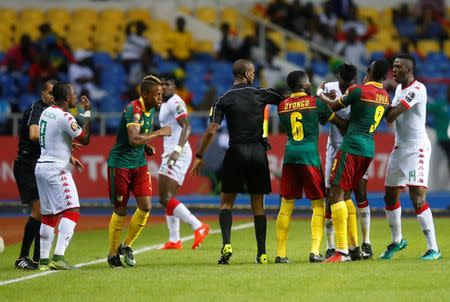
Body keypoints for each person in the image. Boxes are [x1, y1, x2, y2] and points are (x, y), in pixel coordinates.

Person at [191, 59, 284, 264]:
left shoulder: (223, 99)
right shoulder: (260, 93)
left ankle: (226, 244)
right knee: (258, 206)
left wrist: (199, 156)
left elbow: (211, 130)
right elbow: (285, 101)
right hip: (258, 153)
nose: (254, 74)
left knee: (226, 203)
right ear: (245, 73)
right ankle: (262, 253)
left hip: (236, 152)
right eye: (252, 71)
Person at [318, 59, 390, 262]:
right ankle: (355, 247)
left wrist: (321, 95)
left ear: (369, 71)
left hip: (351, 147)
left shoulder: (359, 90)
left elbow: (332, 105)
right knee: (348, 195)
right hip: (368, 149)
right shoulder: (385, 96)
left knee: (335, 193)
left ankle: (341, 252)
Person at [275, 70, 344, 264]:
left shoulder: (281, 106)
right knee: (317, 204)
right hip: (309, 157)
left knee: (286, 205)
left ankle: (280, 254)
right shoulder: (316, 103)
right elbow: (337, 122)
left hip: (290, 155)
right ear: (304, 85)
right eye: (308, 82)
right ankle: (314, 251)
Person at [106, 75, 172, 268]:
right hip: (120, 165)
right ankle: (112, 254)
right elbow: (134, 138)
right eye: (157, 94)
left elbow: (138, 140)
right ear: (145, 94)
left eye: (161, 94)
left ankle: (126, 246)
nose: (160, 98)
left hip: (139, 164)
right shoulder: (133, 109)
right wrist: (158, 133)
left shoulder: (150, 109)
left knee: (146, 206)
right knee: (120, 209)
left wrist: (146, 147)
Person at [381, 54, 441, 260]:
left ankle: (433, 248)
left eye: (397, 67)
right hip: (400, 147)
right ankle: (397, 241)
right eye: (393, 66)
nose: (393, 70)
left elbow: (391, 116)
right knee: (389, 196)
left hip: (417, 149)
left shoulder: (417, 89)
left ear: (408, 70)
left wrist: (379, 98)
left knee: (417, 196)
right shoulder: (399, 88)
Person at [35, 82, 91, 270]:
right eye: (73, 94)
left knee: (48, 215)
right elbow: (85, 139)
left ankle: (43, 261)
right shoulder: (65, 116)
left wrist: (67, 150)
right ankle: (58, 257)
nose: (76, 96)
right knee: (72, 211)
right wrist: (87, 113)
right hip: (56, 169)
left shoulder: (46, 112)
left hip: (41, 167)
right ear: (67, 97)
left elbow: (57, 136)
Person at [158, 73, 210, 250]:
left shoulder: (175, 102)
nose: (163, 87)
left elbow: (187, 126)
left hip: (176, 151)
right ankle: (174, 240)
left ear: (174, 86)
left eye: (167, 83)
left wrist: (177, 150)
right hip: (172, 150)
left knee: (164, 198)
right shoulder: (164, 103)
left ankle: (198, 226)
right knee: (168, 198)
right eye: (161, 84)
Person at [13, 80, 57, 270]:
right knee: (40, 210)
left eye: (55, 94)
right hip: (27, 163)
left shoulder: (53, 113)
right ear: (42, 94)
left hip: (40, 164)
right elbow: (33, 134)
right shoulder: (36, 108)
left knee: (46, 211)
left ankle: (39, 259)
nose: (52, 97)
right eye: (49, 93)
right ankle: (23, 257)